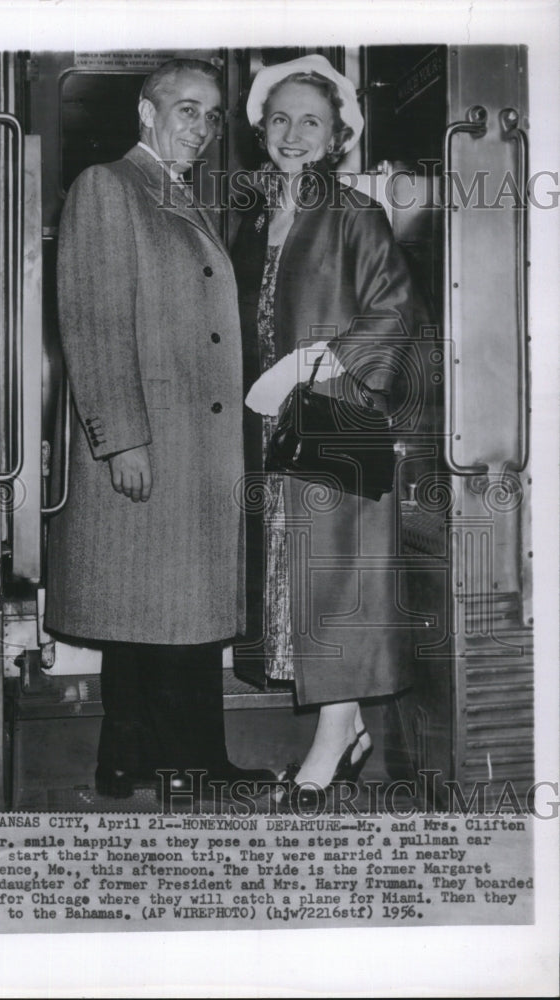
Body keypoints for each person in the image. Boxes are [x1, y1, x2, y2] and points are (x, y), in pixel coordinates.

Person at [44, 58, 274, 801]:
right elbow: (95, 321)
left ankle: (128, 758)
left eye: (211, 115)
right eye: (187, 110)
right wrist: (123, 439)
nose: (202, 128)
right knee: (180, 615)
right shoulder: (111, 186)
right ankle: (202, 772)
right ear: (147, 113)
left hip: (183, 440)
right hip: (153, 438)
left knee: (144, 605)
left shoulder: (172, 193)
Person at [232, 55, 415, 810]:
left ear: (338, 136)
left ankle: (331, 743)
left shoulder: (355, 215)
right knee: (295, 585)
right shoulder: (250, 219)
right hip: (273, 437)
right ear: (260, 131)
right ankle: (350, 728)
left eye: (311, 120)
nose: (292, 133)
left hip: (338, 421)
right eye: (279, 118)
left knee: (337, 586)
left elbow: (395, 312)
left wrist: (314, 365)